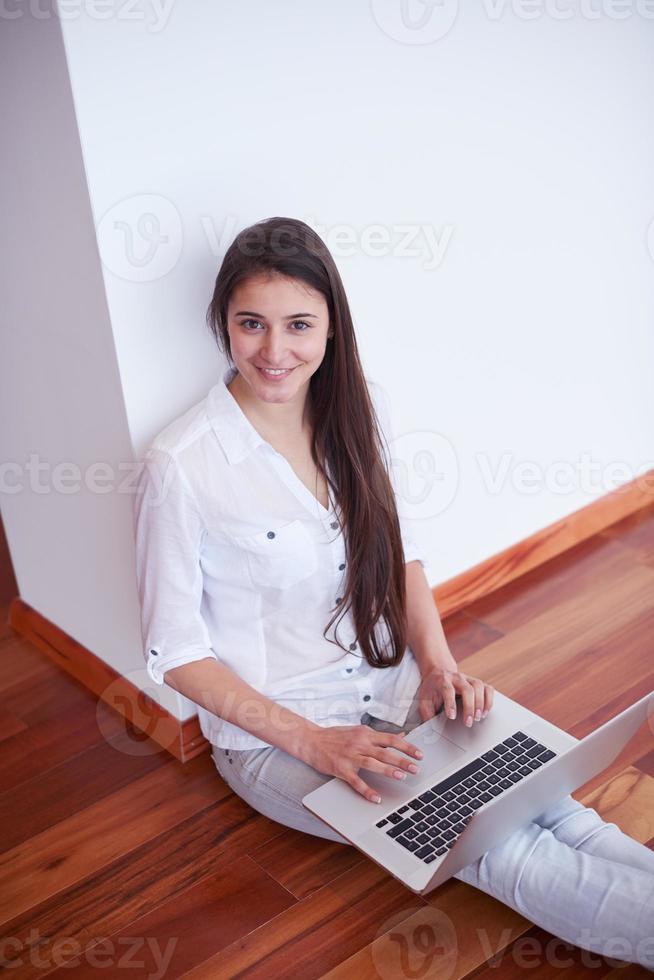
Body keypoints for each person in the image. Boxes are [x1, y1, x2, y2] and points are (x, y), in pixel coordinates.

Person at [133, 216, 654, 969]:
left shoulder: (355, 412)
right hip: (281, 737)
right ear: (224, 323)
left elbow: (400, 558)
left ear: (332, 327)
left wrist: (439, 667)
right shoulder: (180, 463)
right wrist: (315, 741)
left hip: (397, 689)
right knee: (497, 849)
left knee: (550, 806)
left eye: (297, 325)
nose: (274, 351)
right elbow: (177, 655)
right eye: (251, 324)